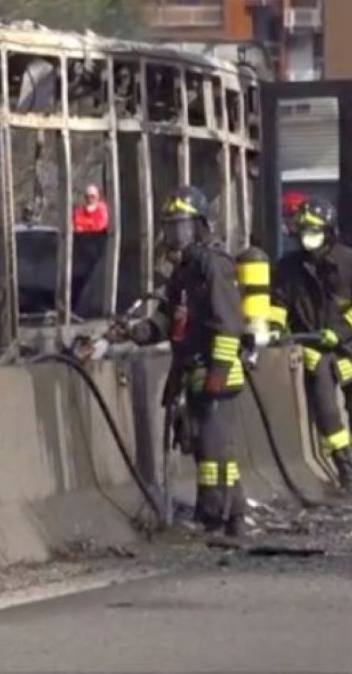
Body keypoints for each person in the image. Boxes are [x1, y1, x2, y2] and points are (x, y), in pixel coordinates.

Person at [119, 185, 247, 536]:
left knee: (212, 451)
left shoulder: (213, 266)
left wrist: (217, 373)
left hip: (217, 372)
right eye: (170, 227)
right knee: (210, 447)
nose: (175, 235)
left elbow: (228, 324)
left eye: (182, 226)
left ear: (200, 225)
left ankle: (212, 518)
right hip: (193, 372)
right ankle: (233, 515)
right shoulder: (182, 272)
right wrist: (135, 331)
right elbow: (165, 319)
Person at [273, 197, 352, 494]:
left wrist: (340, 332)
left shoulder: (351, 263)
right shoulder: (288, 268)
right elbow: (279, 304)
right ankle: (345, 471)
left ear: (328, 231)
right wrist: (274, 329)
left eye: (313, 230)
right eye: (303, 230)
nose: (306, 235)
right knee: (326, 412)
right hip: (315, 351)